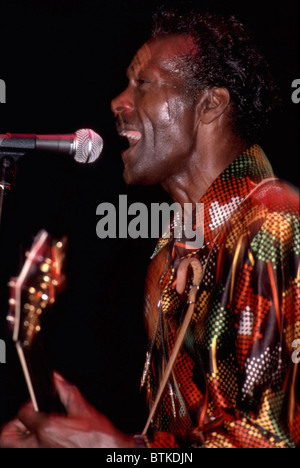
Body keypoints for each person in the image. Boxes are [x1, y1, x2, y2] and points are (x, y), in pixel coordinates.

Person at [0, 8, 299, 448]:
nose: (118, 102)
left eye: (143, 85)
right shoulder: (169, 253)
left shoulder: (274, 227)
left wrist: (114, 449)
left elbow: (277, 439)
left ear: (210, 105)